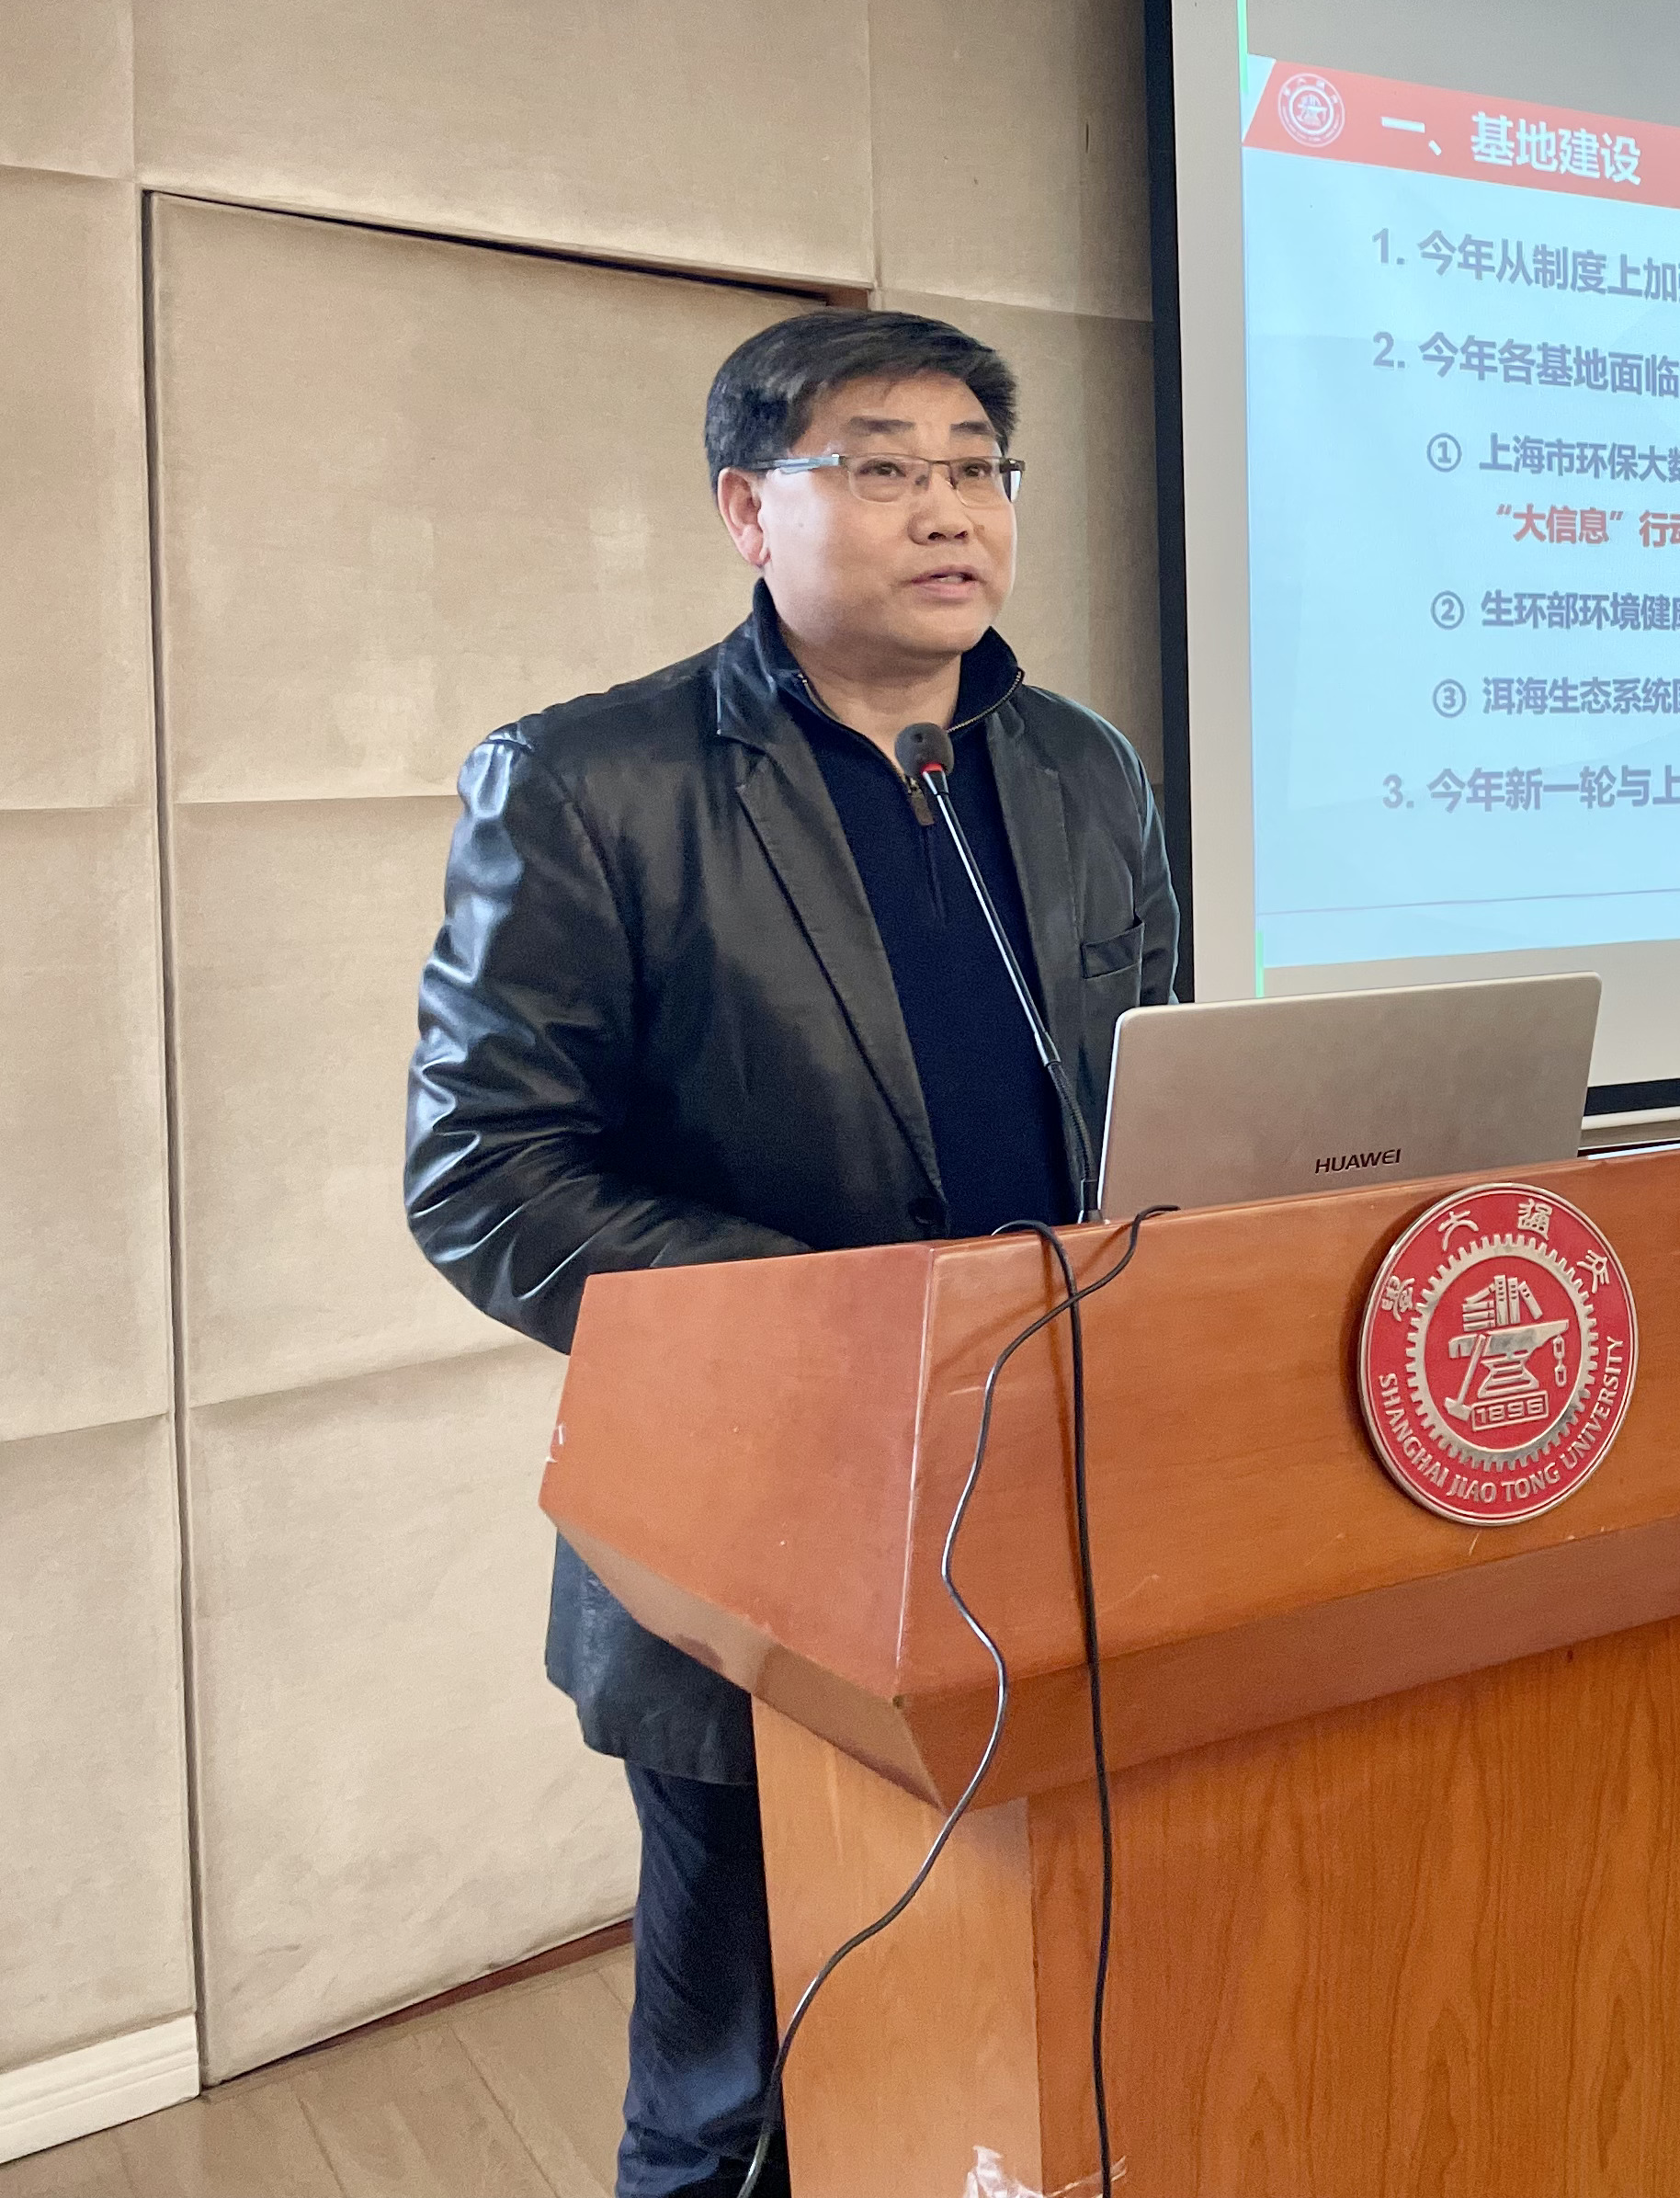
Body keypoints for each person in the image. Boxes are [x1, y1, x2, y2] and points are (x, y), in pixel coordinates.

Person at [406, 310, 1178, 2198]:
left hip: (1062, 1500)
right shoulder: (589, 783)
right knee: (732, 2093)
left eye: (979, 468)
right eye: (884, 466)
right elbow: (483, 1171)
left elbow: (1151, 1087)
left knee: (1043, 2029)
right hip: (758, 1531)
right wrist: (843, 1331)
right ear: (750, 509)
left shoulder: (1082, 769)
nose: (951, 510)